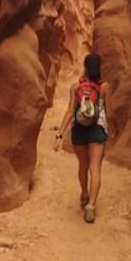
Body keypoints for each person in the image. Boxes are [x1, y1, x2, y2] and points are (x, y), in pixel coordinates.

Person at [53, 54, 114, 223]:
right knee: (95, 168)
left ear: (85, 67)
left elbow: (69, 111)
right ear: (99, 67)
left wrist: (60, 134)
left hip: (78, 130)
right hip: (97, 129)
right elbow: (109, 113)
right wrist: (114, 130)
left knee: (83, 165)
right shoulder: (104, 87)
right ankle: (91, 206)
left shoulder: (75, 87)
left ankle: (85, 194)